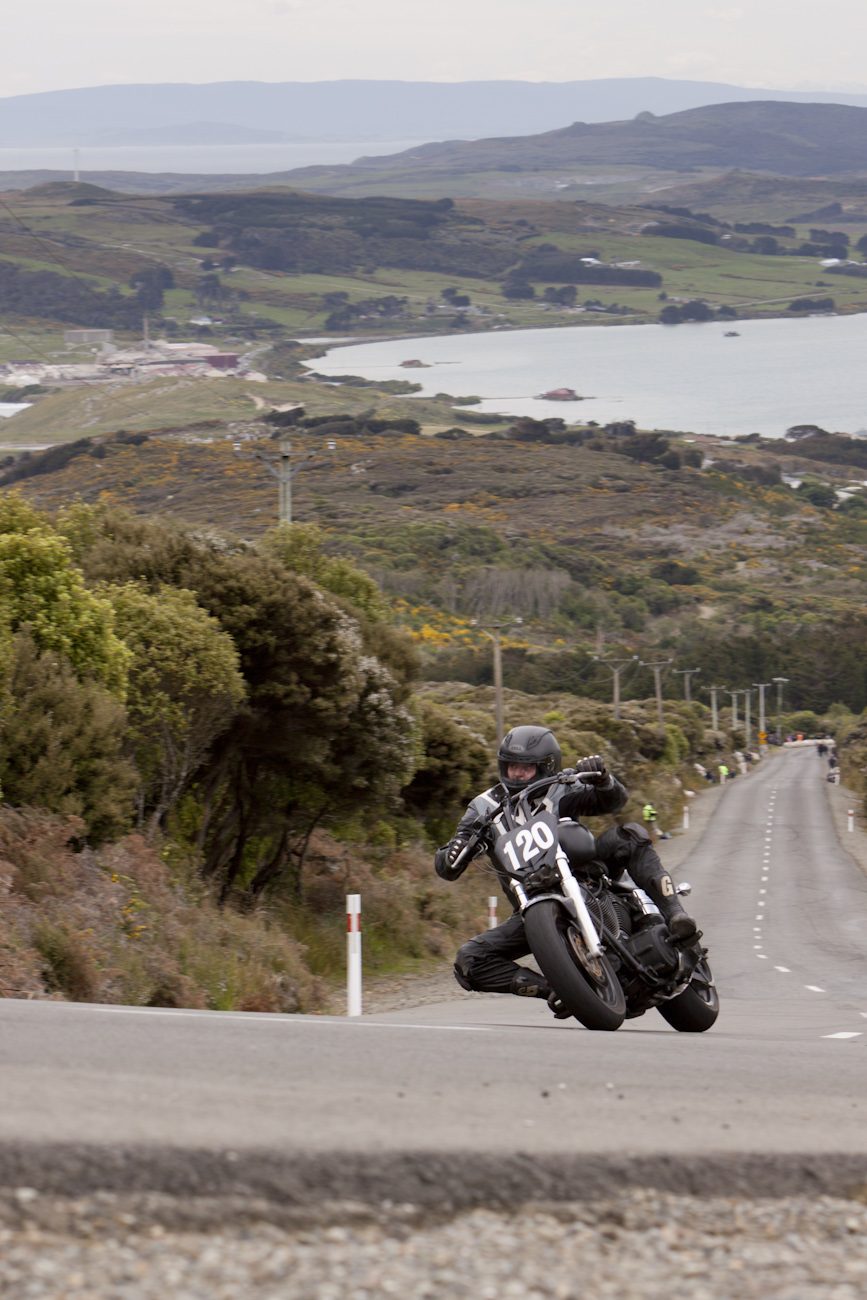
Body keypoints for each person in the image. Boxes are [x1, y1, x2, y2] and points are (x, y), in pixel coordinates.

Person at [435, 725, 697, 1010]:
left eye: (527, 768)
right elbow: (449, 863)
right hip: (530, 905)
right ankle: (557, 990)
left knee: (630, 835)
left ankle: (674, 914)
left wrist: (603, 779)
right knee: (469, 961)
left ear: (546, 766)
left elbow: (612, 801)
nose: (517, 774)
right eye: (511, 767)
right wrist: (452, 853)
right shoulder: (482, 807)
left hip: (586, 874)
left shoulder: (562, 785)